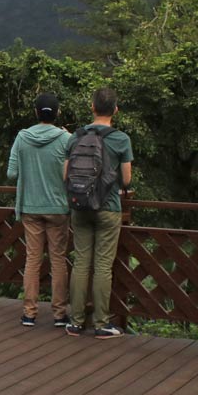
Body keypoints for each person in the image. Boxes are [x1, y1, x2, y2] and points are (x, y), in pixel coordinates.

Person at [64, 88, 133, 340]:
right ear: (115, 110)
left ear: (92, 107)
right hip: (108, 207)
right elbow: (126, 179)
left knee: (81, 262)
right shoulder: (121, 139)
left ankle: (75, 321)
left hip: (79, 206)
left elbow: (65, 175)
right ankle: (102, 323)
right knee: (103, 266)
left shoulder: (75, 137)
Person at [6, 93, 71, 327]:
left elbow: (11, 173)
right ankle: (59, 313)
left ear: (35, 112)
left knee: (33, 259)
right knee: (58, 260)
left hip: (30, 207)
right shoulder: (66, 139)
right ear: (57, 113)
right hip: (58, 207)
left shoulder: (22, 138)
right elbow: (70, 174)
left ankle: (29, 313)